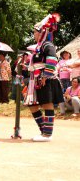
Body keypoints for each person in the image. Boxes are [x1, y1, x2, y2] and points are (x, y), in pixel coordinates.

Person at [25, 13, 63, 142]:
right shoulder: (39, 47)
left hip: (45, 78)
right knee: (32, 104)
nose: (34, 35)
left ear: (42, 33)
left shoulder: (48, 45)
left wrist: (45, 76)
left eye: (35, 32)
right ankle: (44, 131)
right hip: (36, 79)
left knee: (47, 104)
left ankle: (47, 134)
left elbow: (52, 59)